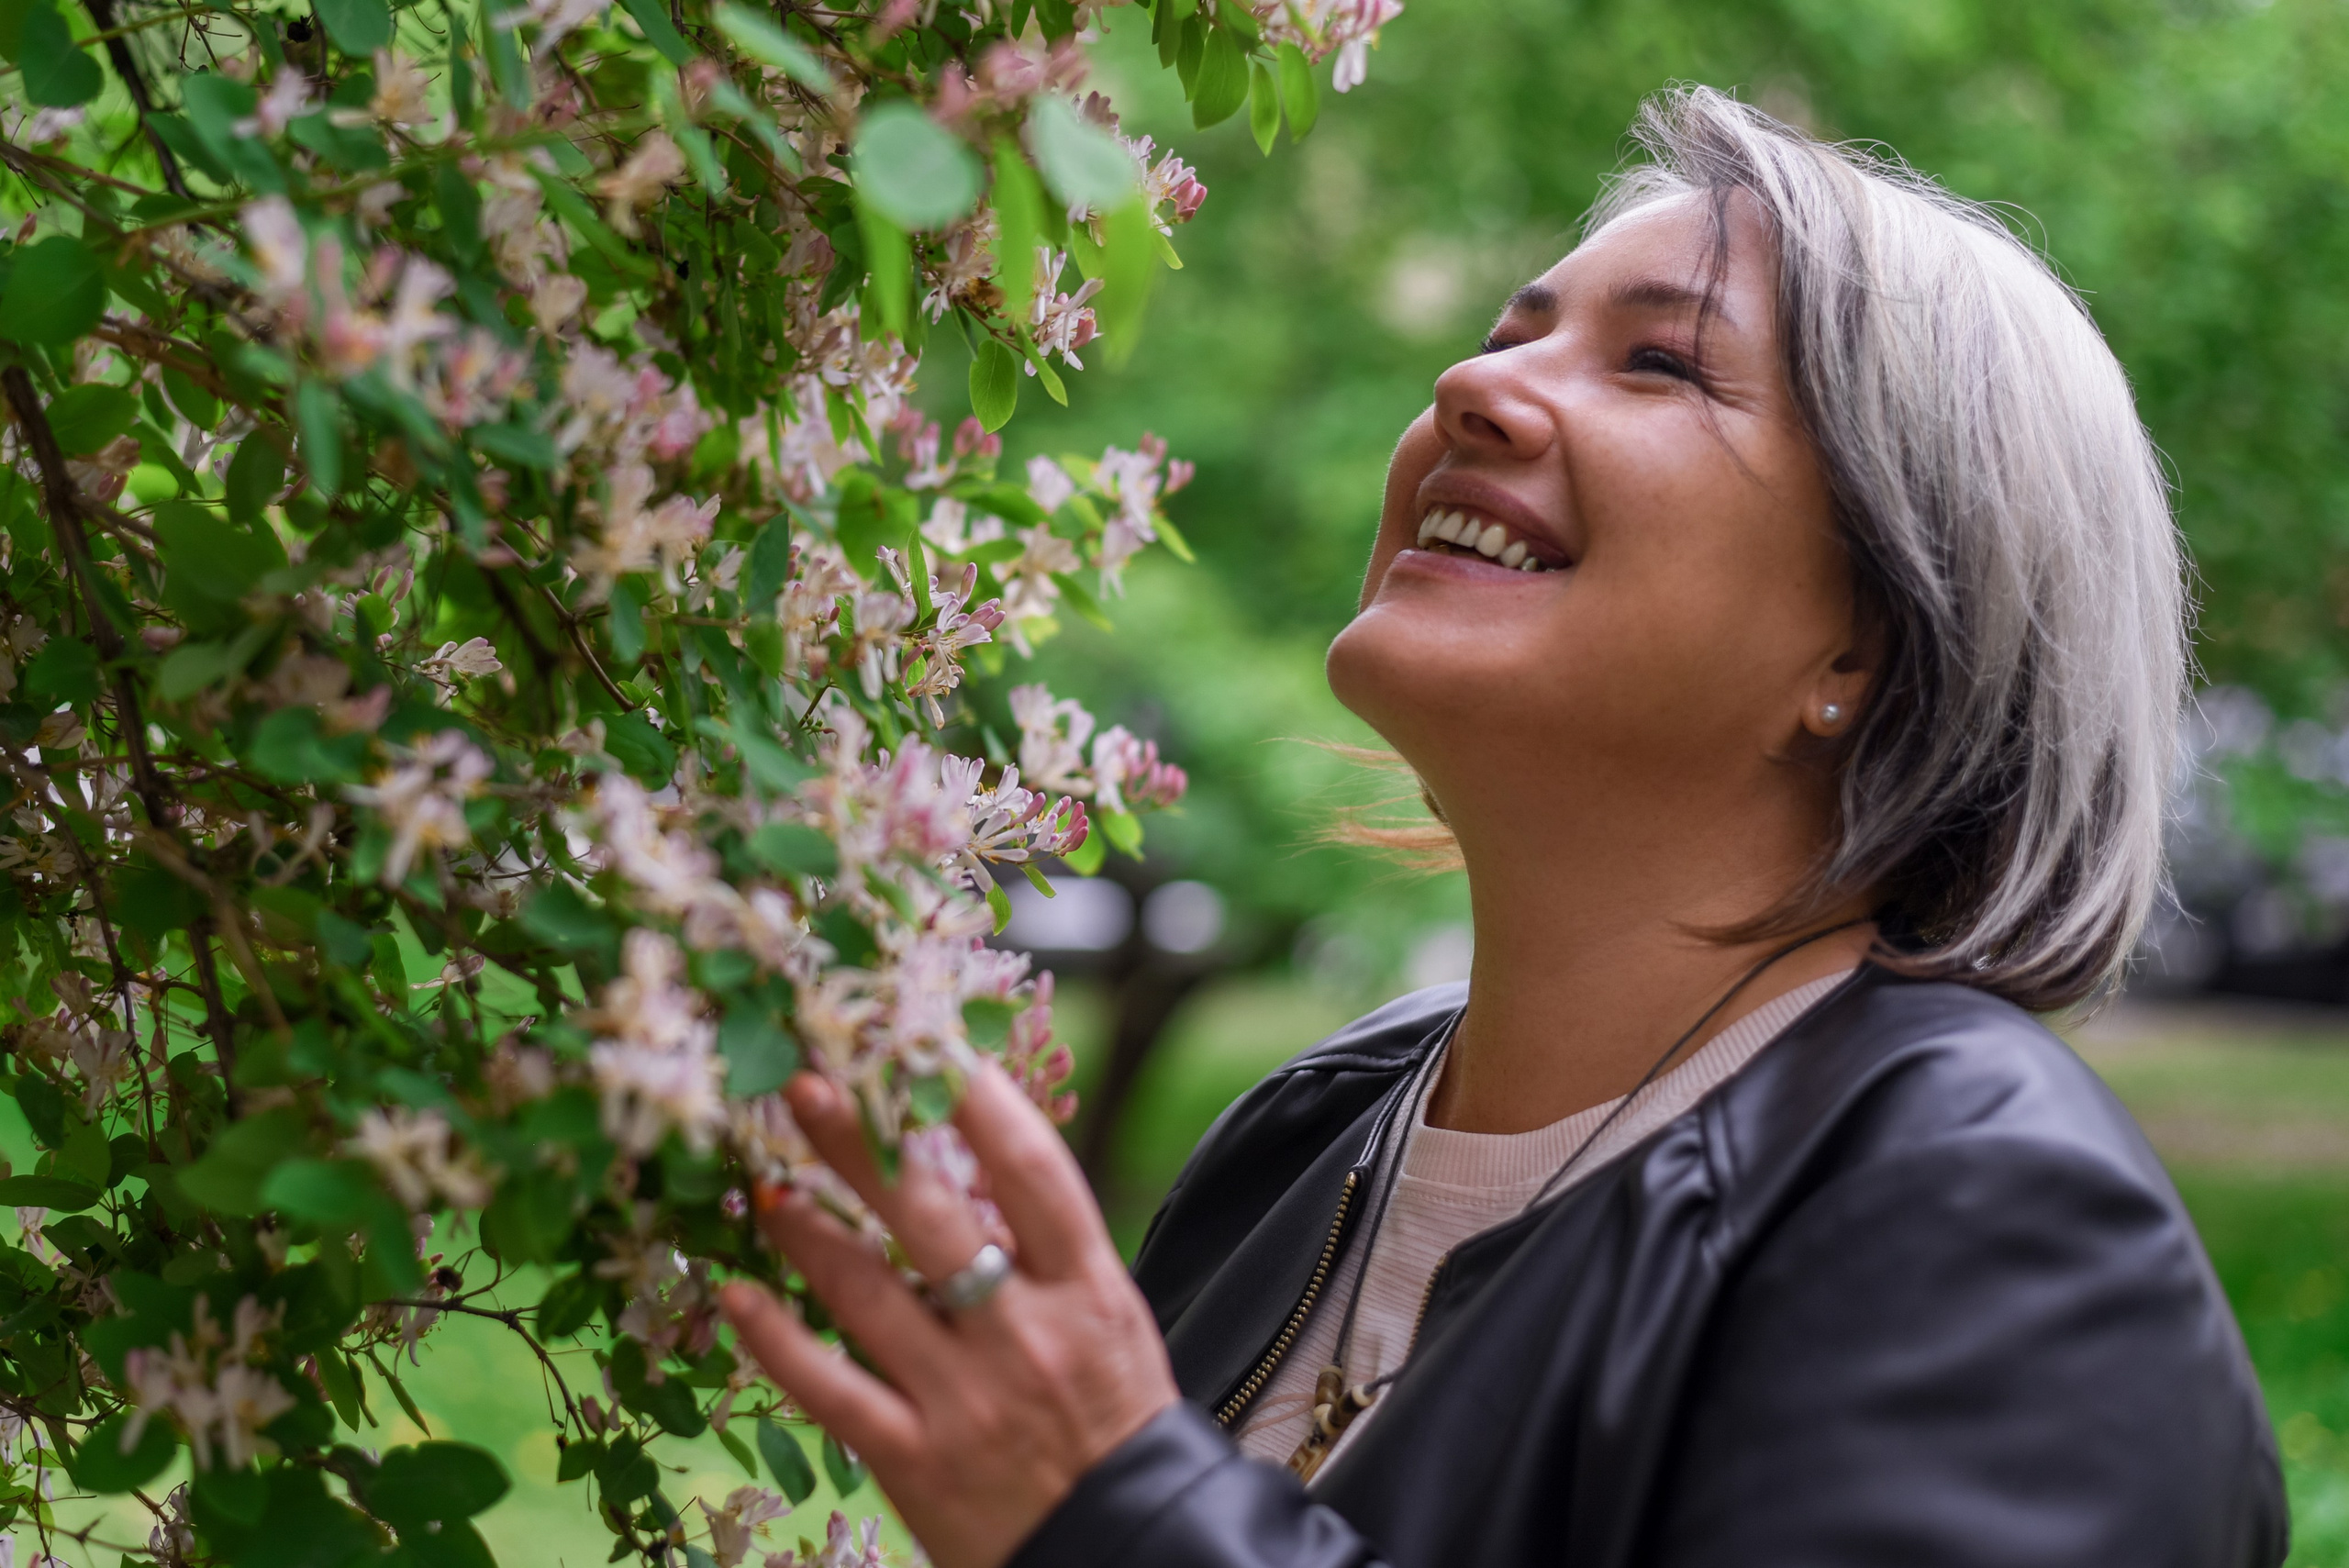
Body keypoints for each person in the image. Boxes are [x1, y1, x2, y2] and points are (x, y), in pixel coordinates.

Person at [718, 86, 2288, 1568]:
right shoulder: (1310, 1129)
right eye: (1504, 333)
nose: (1473, 387)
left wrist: (1117, 1513)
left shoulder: (1983, 1214)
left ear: (1870, 635)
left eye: (1660, 365)